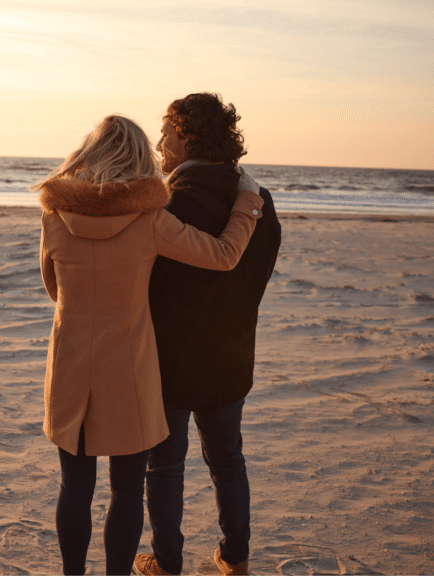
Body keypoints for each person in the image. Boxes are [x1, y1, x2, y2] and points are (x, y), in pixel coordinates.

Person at [33, 114, 265, 575]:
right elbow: (223, 256)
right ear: (138, 159)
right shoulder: (150, 220)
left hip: (71, 369)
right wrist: (248, 204)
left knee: (74, 487)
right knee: (125, 488)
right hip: (129, 371)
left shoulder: (54, 216)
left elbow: (53, 286)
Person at [134, 94, 282, 576]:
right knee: (226, 458)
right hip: (231, 354)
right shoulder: (259, 201)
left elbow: (146, 279)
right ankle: (235, 557)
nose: (160, 143)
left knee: (165, 465)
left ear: (189, 136)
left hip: (171, 357)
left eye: (168, 134)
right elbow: (257, 275)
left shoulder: (172, 200)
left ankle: (167, 563)